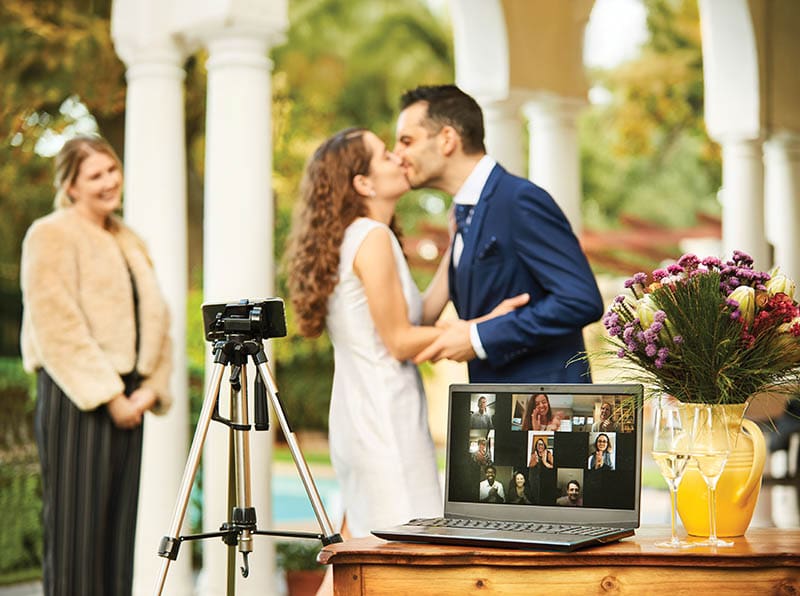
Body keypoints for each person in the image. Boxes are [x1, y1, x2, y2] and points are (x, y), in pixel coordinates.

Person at [285, 128, 526, 542]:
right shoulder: (371, 237)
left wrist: (460, 243)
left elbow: (422, 314)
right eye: (384, 155)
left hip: (368, 415)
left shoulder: (364, 236)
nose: (398, 157)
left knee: (357, 561)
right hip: (383, 424)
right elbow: (399, 341)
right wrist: (484, 328)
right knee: (403, 560)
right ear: (363, 182)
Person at [19, 135, 173, 596]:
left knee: (117, 539)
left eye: (112, 169)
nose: (110, 182)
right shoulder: (50, 234)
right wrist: (110, 397)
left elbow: (158, 320)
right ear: (70, 186)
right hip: (78, 396)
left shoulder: (130, 239)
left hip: (132, 395)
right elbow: (56, 324)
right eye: (95, 175)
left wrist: (149, 388)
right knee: (76, 542)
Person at [396, 84, 604, 383]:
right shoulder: (462, 214)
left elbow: (580, 299)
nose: (398, 154)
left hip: (547, 414)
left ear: (447, 139)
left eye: (406, 141)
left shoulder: (518, 200)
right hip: (498, 409)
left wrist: (478, 337)